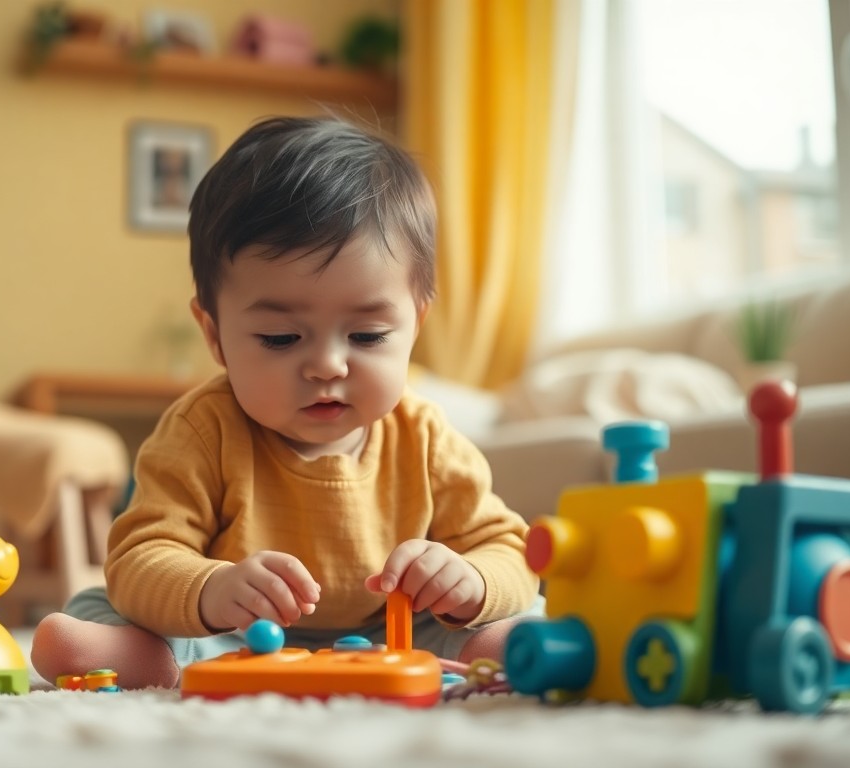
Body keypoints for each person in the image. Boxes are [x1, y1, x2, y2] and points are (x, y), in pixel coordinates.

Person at [31, 115, 542, 689]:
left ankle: (500, 649)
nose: (328, 364)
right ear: (215, 333)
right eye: (280, 338)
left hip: (396, 636)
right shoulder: (203, 431)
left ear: (415, 323)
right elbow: (141, 555)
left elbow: (511, 551)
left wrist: (469, 579)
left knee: (519, 615)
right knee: (100, 602)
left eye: (368, 336)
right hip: (233, 638)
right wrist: (211, 591)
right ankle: (152, 661)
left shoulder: (423, 436)